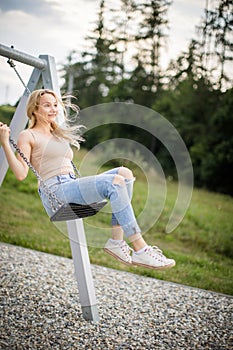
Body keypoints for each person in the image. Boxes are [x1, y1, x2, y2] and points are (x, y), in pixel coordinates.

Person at [0, 89, 175, 270]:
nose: (53, 109)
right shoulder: (28, 135)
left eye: (54, 105)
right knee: (114, 182)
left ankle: (116, 241)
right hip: (56, 192)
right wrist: (5, 142)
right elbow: (21, 173)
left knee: (124, 173)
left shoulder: (57, 132)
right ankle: (141, 249)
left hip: (70, 183)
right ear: (34, 109)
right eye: (46, 105)